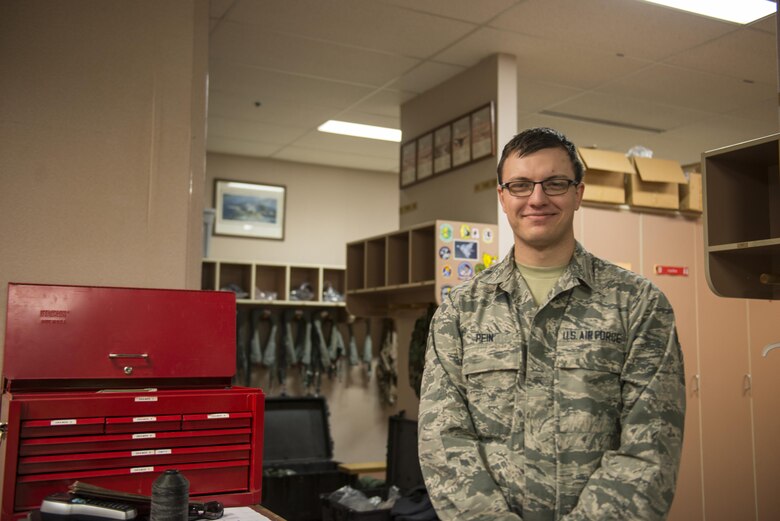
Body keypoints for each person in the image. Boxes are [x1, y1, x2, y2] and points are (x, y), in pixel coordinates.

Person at [417, 127, 685, 521]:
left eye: (555, 183)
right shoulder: (459, 311)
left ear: (579, 192)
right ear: (502, 196)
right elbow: (443, 442)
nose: (537, 199)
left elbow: (650, 448)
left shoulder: (637, 304)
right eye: (521, 185)